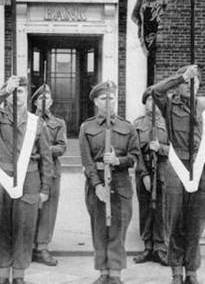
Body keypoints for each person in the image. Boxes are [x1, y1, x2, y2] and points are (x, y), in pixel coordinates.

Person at [0, 75, 53, 284]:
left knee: (24, 228)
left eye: (20, 91)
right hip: (0, 178)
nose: (16, 95)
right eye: (13, 91)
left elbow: (46, 159)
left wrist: (45, 188)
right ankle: (2, 275)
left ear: (26, 95)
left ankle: (19, 275)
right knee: (0, 227)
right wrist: (4, 91)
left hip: (29, 179)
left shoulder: (36, 123)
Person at [151, 65, 205, 284]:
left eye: (194, 81)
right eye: (186, 83)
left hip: (201, 170)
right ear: (179, 87)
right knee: (175, 221)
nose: (190, 85)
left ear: (199, 85)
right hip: (177, 167)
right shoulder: (169, 104)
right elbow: (156, 91)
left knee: (195, 224)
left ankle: (191, 271)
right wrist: (181, 76)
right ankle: (176, 272)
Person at [79, 81, 140, 284]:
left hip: (120, 184)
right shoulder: (87, 127)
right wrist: (96, 185)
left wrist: (118, 160)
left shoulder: (127, 127)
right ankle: (103, 272)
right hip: (96, 184)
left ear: (116, 100)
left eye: (111, 98)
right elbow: (87, 161)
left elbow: (135, 156)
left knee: (118, 229)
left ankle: (115, 273)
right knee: (99, 230)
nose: (108, 102)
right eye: (103, 98)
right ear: (96, 101)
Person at [32, 84, 67, 266]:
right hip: (31, 169)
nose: (44, 102)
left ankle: (42, 247)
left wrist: (44, 150)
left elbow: (62, 147)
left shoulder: (58, 123)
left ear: (52, 102)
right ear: (35, 102)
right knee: (30, 207)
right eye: (40, 99)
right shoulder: (28, 120)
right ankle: (28, 246)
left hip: (51, 170)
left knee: (48, 210)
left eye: (47, 99)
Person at [133, 87, 169, 266]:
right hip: (144, 170)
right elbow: (135, 151)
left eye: (155, 101)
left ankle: (160, 248)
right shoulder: (137, 124)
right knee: (145, 209)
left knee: (162, 210)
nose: (152, 104)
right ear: (145, 103)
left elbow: (176, 149)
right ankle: (147, 246)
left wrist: (160, 148)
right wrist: (144, 174)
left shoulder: (168, 123)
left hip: (163, 170)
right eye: (149, 100)